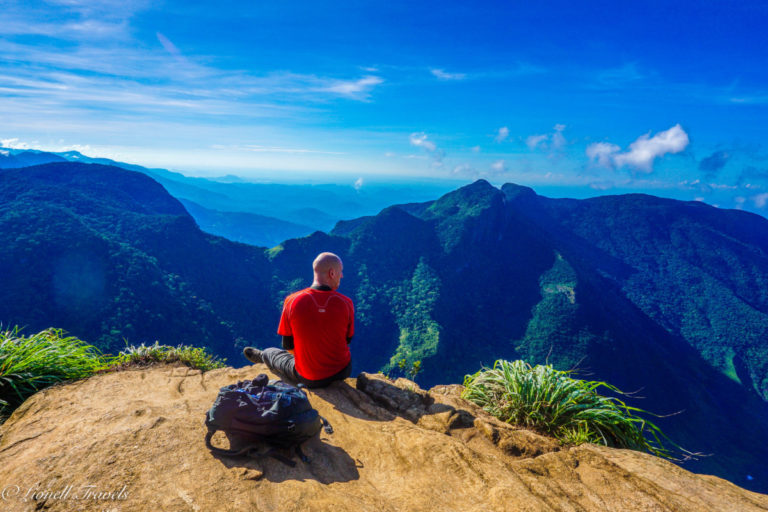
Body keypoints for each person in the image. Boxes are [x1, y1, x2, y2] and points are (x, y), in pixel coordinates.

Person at [243, 252, 354, 388]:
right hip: (342, 371)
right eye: (340, 272)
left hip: (309, 377)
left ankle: (263, 355)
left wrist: (308, 358)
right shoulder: (346, 303)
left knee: (274, 353)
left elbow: (288, 346)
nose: (342, 275)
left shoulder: (292, 301)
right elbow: (347, 340)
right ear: (332, 273)